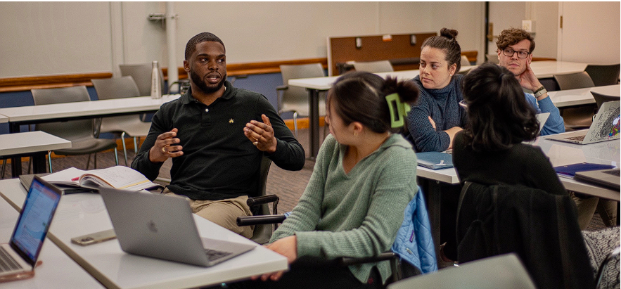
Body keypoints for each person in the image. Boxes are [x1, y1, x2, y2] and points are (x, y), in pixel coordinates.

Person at [235, 71, 420, 288]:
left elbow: (372, 240)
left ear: (356, 128)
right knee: (242, 278)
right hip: (320, 253)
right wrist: (275, 249)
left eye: (331, 116)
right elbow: (307, 209)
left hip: (359, 267)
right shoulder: (333, 144)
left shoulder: (397, 158)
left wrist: (299, 244)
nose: (326, 120)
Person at [131, 32, 305, 238]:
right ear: (187, 65)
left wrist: (273, 145)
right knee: (138, 229)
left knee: (186, 233)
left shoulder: (252, 104)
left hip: (230, 203)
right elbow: (137, 174)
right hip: (178, 198)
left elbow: (297, 158)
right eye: (204, 60)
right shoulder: (169, 112)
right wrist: (153, 156)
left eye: (220, 60)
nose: (214, 66)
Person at [452, 63, 598, 289]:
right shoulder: (530, 158)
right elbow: (562, 213)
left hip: (483, 254)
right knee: (591, 202)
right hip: (539, 259)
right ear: (514, 105)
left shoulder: (461, 145)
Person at [404, 28, 467, 152]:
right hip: (418, 168)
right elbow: (430, 144)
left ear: (452, 69)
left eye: (434, 66)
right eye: (422, 64)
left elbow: (480, 131)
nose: (425, 71)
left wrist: (440, 136)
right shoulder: (412, 92)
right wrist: (460, 131)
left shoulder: (463, 85)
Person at [496, 27, 565, 136]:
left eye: (522, 53)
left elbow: (555, 132)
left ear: (529, 58)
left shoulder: (527, 100)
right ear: (499, 53)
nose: (514, 57)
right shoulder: (484, 90)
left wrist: (537, 88)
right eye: (509, 51)